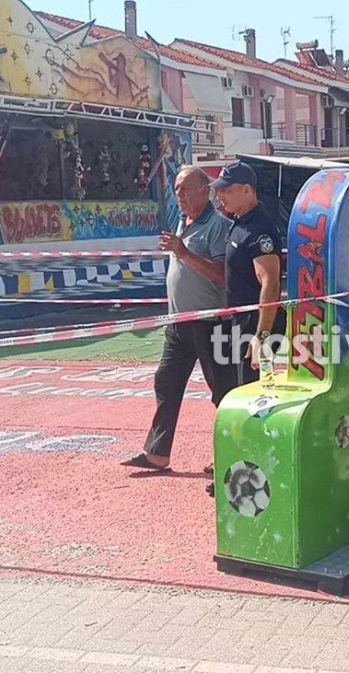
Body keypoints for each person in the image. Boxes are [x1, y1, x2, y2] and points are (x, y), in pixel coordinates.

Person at [122, 166, 233, 473]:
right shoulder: (183, 221)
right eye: (176, 190)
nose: (179, 195)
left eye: (185, 189)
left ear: (204, 190)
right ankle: (157, 453)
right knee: (166, 382)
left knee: (223, 391)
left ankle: (229, 454)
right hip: (179, 323)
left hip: (210, 323)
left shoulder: (218, 226)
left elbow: (221, 275)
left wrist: (183, 253)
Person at [210, 161, 285, 386]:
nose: (220, 196)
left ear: (246, 190)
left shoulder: (259, 229)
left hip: (255, 323)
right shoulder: (240, 222)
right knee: (239, 387)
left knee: (253, 391)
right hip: (242, 320)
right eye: (219, 190)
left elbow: (271, 284)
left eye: (226, 190)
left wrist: (261, 336)